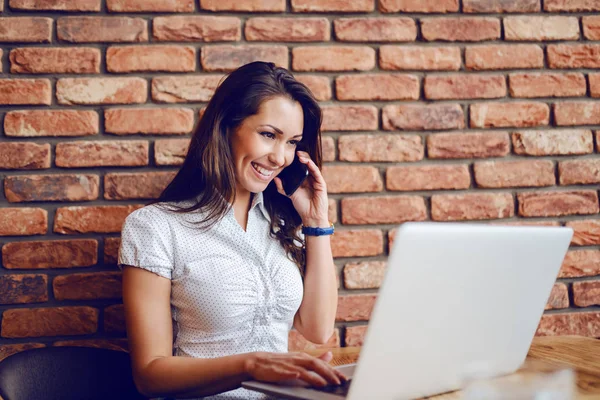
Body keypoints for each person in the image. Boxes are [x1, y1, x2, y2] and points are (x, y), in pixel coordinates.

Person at [118, 61, 345, 399]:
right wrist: (249, 366)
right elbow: (150, 375)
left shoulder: (282, 225)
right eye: (268, 135)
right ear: (226, 128)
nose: (280, 157)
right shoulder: (156, 227)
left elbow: (317, 328)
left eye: (292, 142)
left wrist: (316, 223)